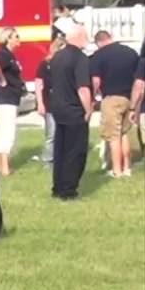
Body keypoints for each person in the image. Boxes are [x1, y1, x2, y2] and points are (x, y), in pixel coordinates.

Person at [46, 24, 95, 200]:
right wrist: (88, 109)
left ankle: (57, 187)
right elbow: (83, 88)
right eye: (86, 36)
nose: (87, 39)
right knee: (75, 152)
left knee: (60, 150)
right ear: (79, 37)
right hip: (74, 110)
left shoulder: (57, 56)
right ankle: (68, 190)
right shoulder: (80, 58)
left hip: (59, 109)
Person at [90, 30, 140, 178]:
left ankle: (116, 171)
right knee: (124, 133)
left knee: (113, 136)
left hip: (111, 99)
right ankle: (127, 167)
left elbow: (96, 81)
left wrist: (94, 97)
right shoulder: (131, 53)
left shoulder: (99, 55)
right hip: (128, 98)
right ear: (110, 38)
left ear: (98, 43)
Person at [0, 27, 25, 176]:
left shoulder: (9, 55)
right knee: (7, 131)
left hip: (6, 98)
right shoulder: (3, 53)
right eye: (16, 36)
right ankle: (5, 168)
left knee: (0, 129)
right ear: (8, 38)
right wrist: (3, 79)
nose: (18, 39)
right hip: (7, 97)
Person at [34, 36, 66, 167]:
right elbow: (38, 84)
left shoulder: (66, 64)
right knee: (52, 133)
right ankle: (48, 159)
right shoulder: (45, 64)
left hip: (64, 102)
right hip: (50, 101)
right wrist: (40, 103)